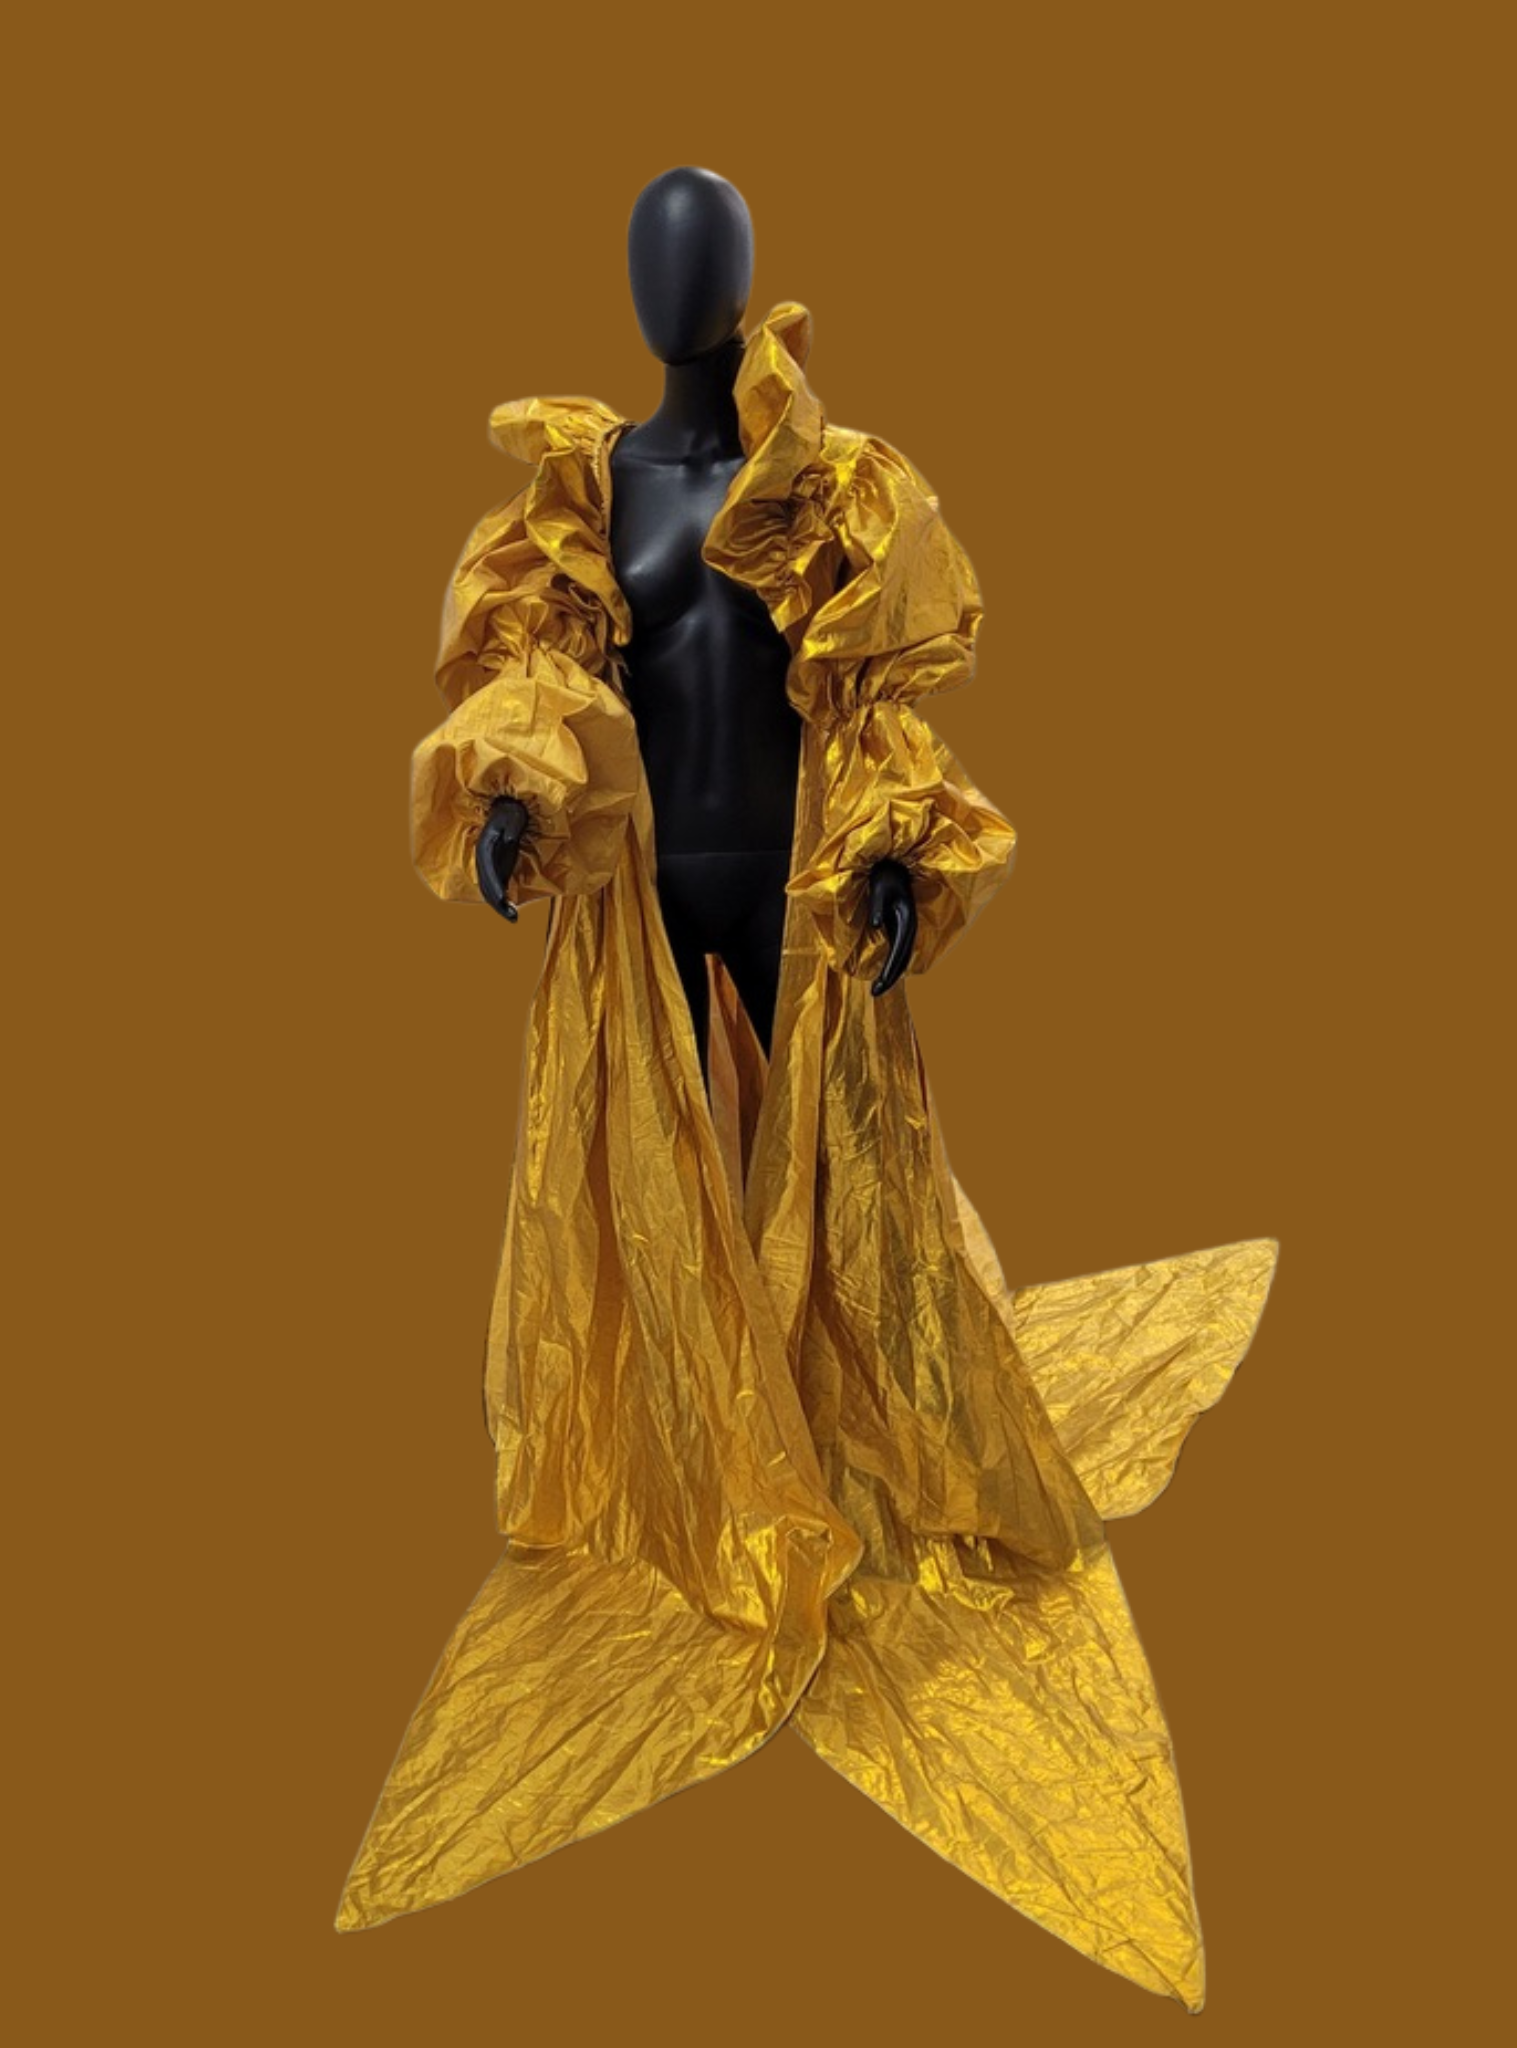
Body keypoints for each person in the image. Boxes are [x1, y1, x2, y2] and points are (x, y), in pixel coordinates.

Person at [338, 168, 1278, 2013]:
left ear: (743, 281)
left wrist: (904, 851)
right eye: (653, 252)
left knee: (837, 1178)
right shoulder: (578, 497)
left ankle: (842, 1433)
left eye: (696, 254)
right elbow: (528, 666)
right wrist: (513, 801)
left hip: (796, 885)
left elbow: (882, 705)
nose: (672, 281)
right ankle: (701, 1449)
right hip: (642, 897)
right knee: (654, 1183)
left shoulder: (842, 488)